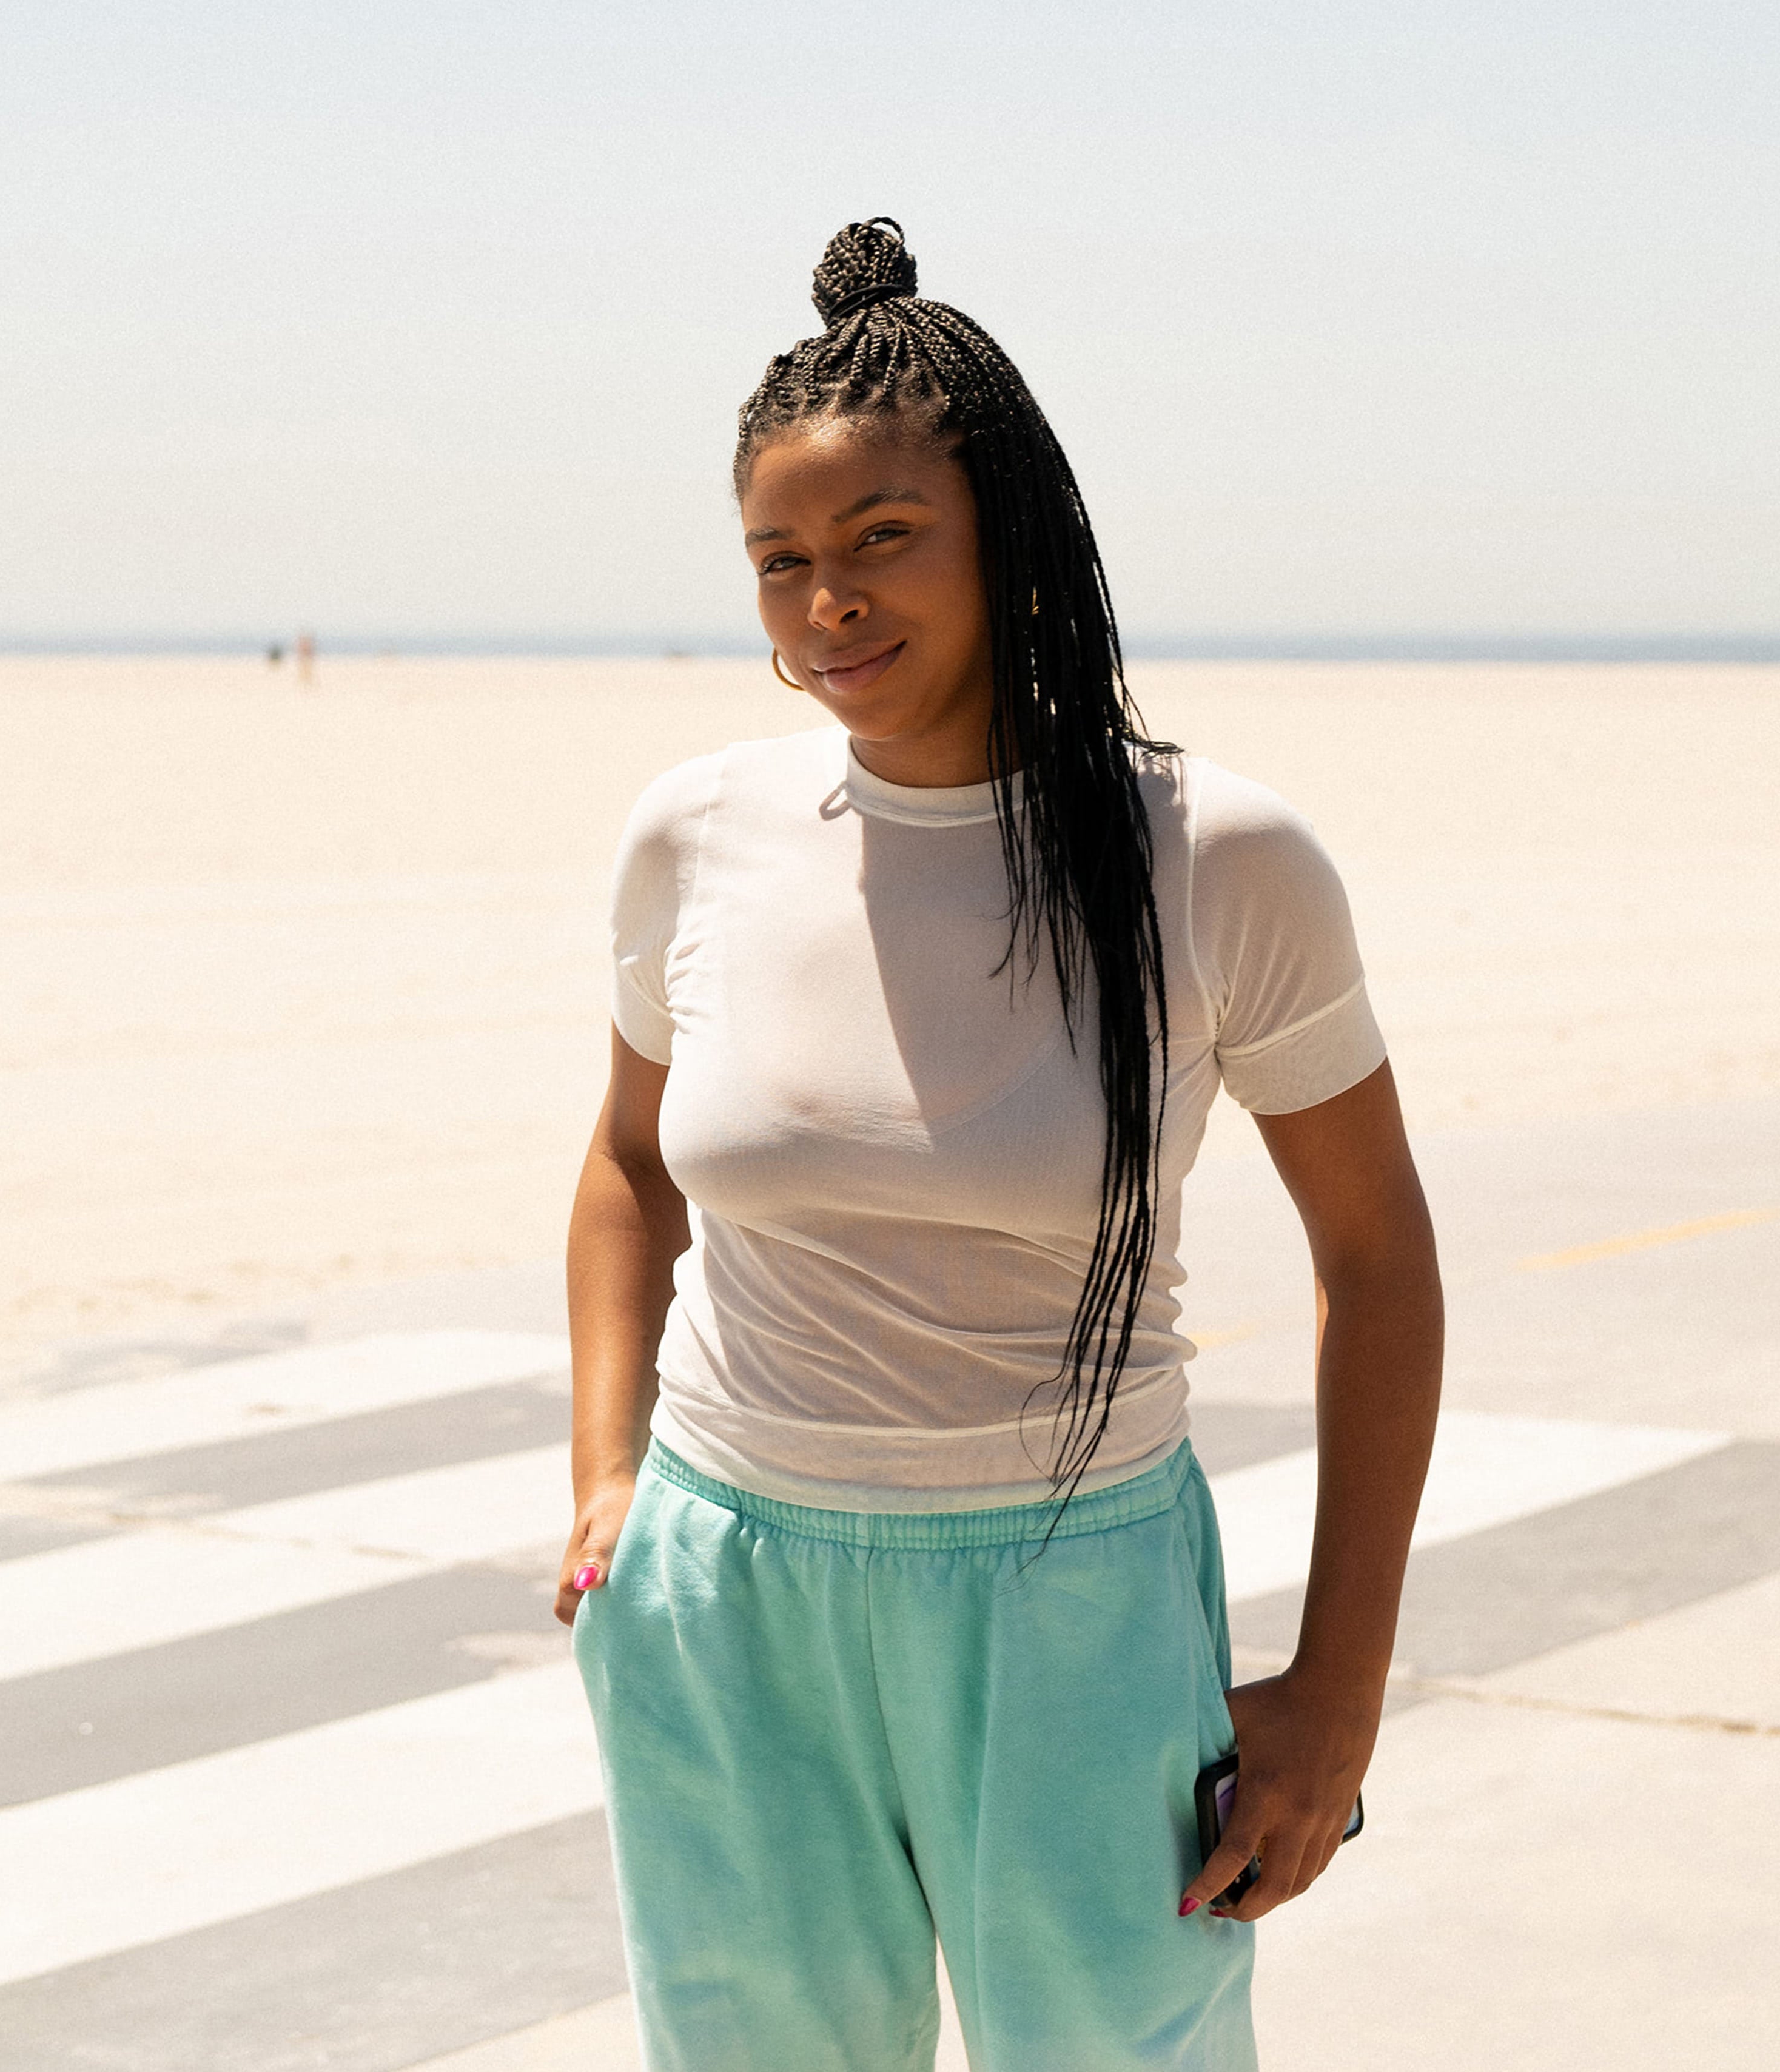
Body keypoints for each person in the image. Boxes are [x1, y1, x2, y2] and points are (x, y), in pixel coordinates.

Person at [556, 218, 1443, 2072]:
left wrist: (1338, 1691)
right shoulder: (697, 834)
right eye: (781, 561)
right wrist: (608, 1479)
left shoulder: (1219, 860)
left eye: (883, 538)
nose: (828, 602)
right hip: (727, 1598)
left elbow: (1378, 1260)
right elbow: (631, 1169)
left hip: (1071, 1604)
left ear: (1008, 533)